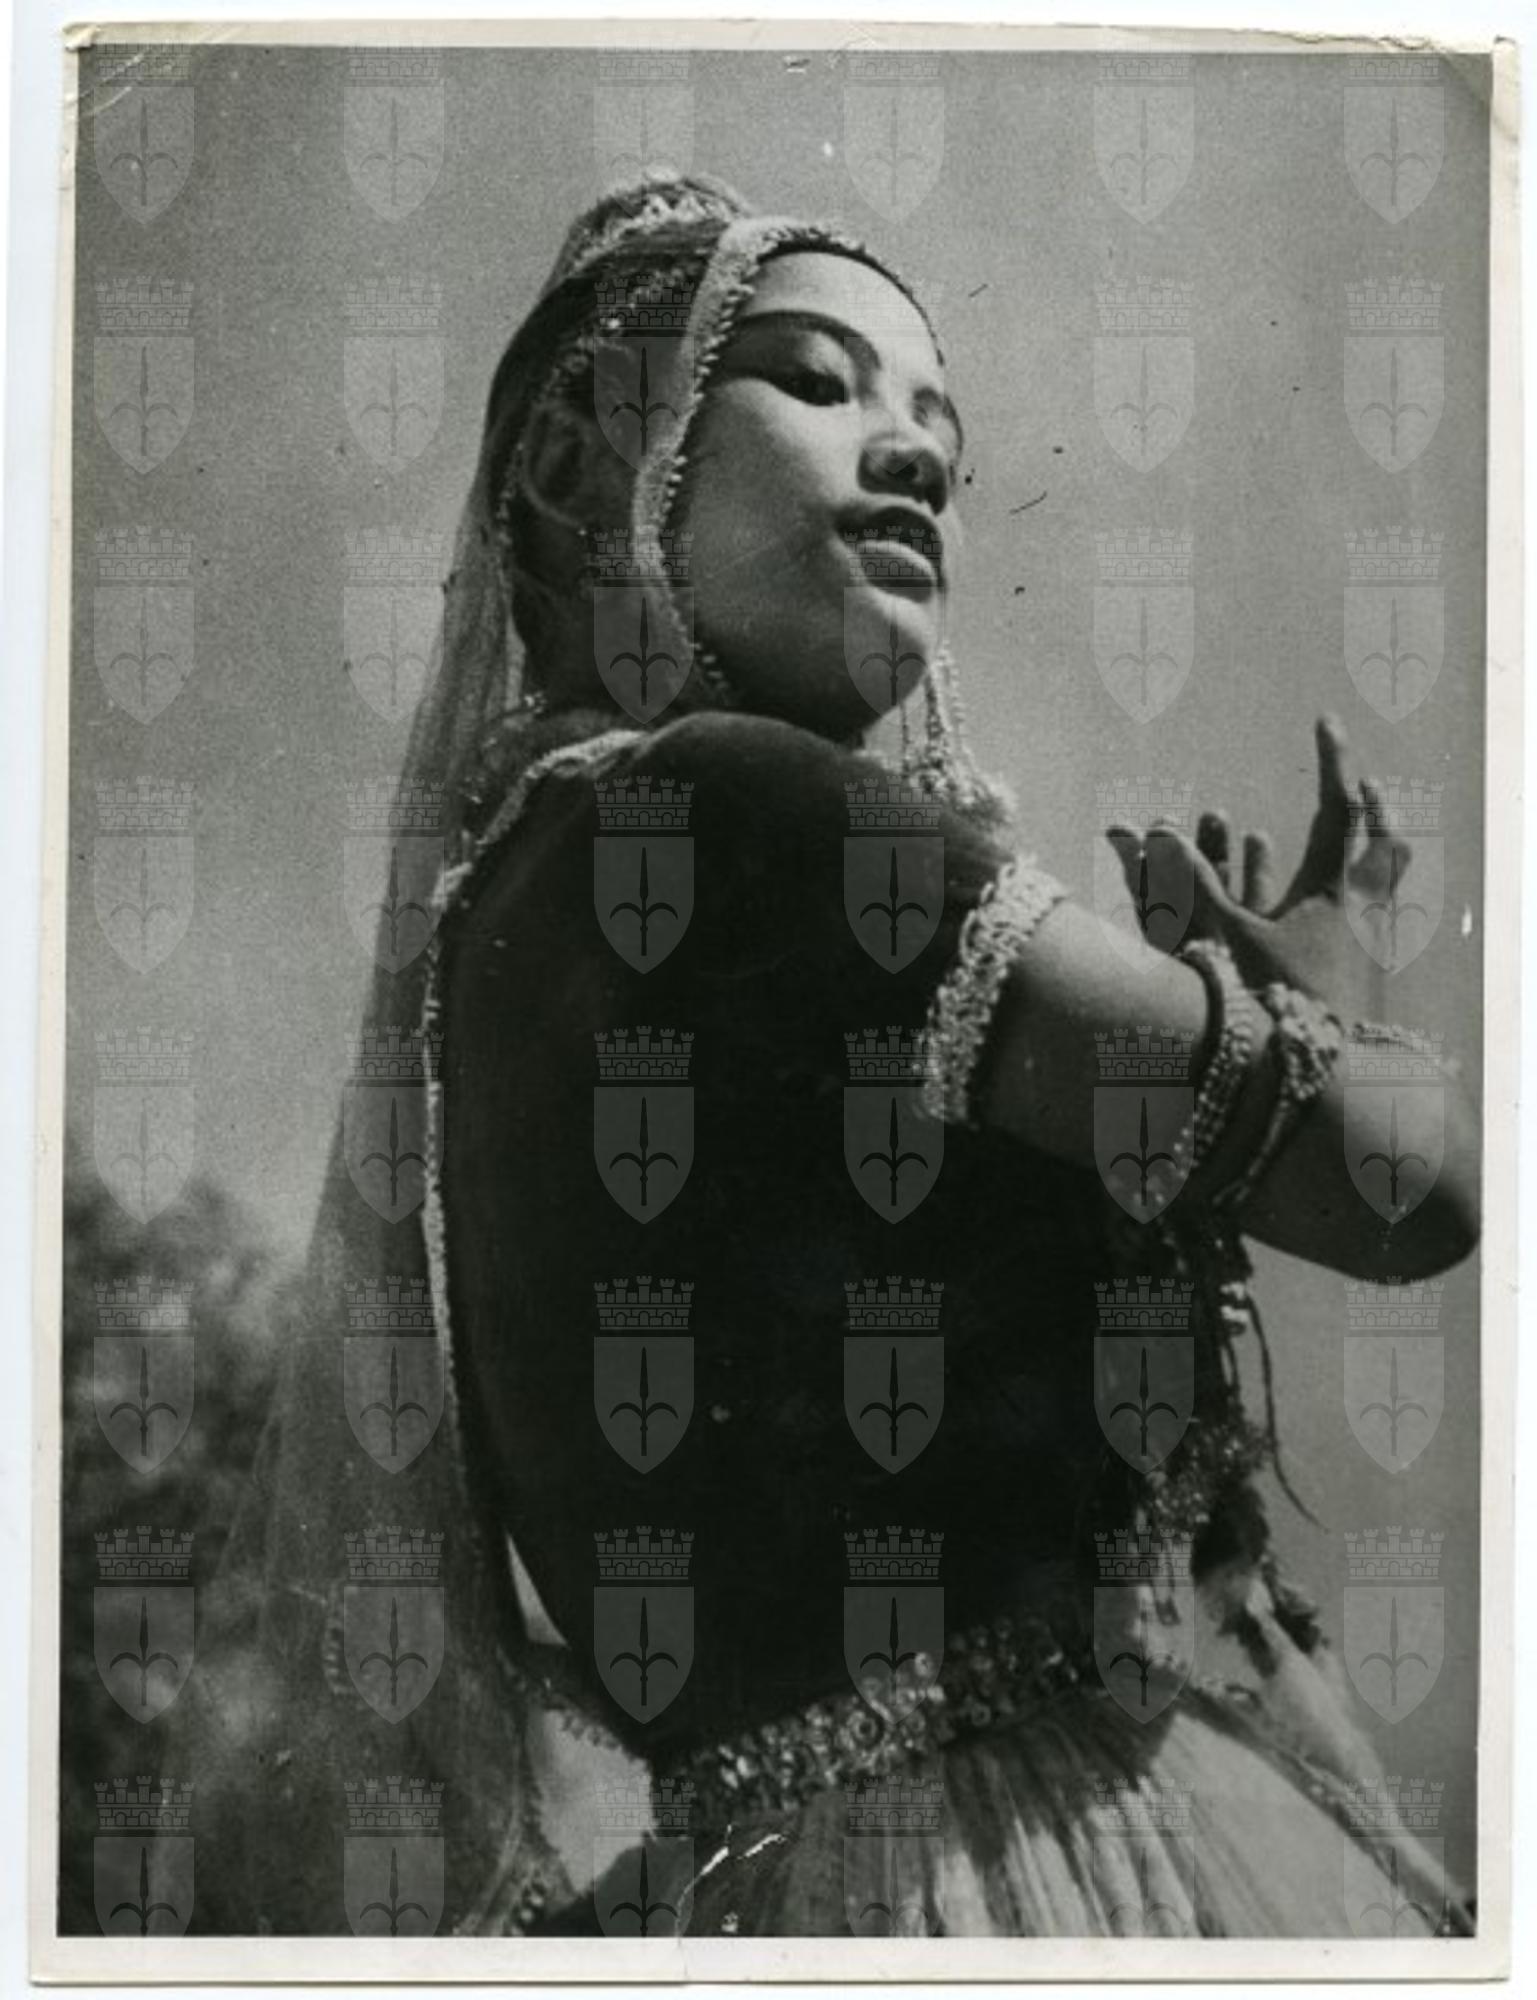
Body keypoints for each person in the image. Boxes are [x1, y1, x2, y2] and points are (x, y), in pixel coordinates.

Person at [176, 172, 1478, 1939]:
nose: (919, 454)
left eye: (943, 429)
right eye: (813, 377)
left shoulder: (535, 884)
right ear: (573, 469)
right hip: (1017, 1877)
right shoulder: (727, 812)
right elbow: (1405, 1187)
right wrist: (1332, 990)